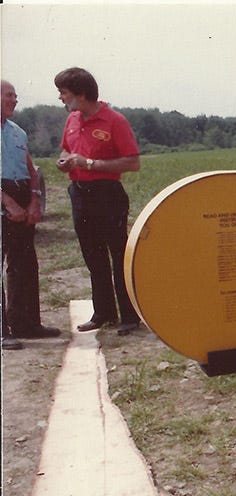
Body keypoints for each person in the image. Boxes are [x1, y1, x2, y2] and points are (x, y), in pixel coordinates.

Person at [54, 67, 141, 336]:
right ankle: (103, 313)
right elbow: (66, 149)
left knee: (118, 255)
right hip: (79, 194)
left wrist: (89, 164)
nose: (60, 98)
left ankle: (129, 315)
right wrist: (65, 161)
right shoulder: (71, 120)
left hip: (107, 194)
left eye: (63, 93)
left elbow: (133, 161)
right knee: (93, 257)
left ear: (81, 94)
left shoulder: (114, 121)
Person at [1, 80, 61, 350]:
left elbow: (31, 170)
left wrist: (35, 201)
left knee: (25, 263)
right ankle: (4, 331)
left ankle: (27, 324)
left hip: (22, 194)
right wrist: (7, 203)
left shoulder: (17, 132)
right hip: (3, 197)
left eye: (15, 95)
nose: (14, 100)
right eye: (8, 95)